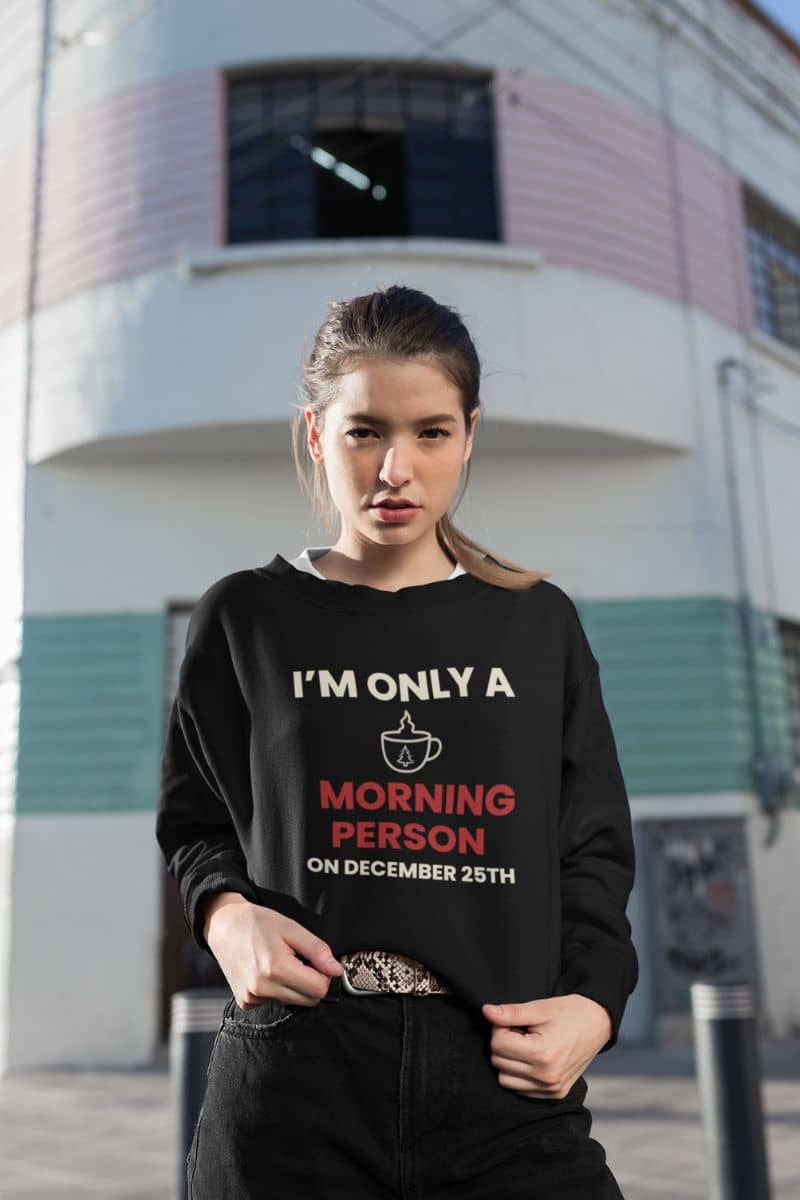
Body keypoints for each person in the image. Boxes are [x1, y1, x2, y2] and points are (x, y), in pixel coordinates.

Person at [156, 284, 638, 1198]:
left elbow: (594, 848)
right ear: (314, 435)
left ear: (469, 436)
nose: (395, 470)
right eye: (364, 430)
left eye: (431, 432)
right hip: (297, 1076)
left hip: (501, 1081)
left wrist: (593, 1004)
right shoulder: (245, 618)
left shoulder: (535, 624)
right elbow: (195, 823)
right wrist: (224, 914)